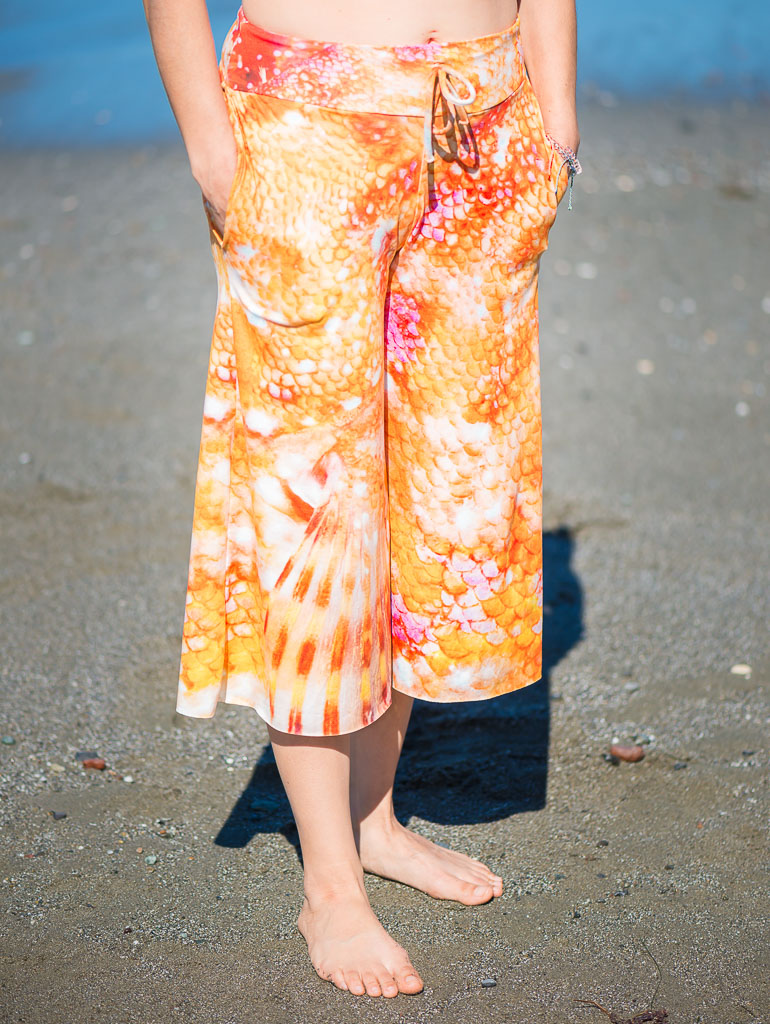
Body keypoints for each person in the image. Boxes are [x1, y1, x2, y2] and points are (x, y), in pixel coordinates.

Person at [144, 0, 579, 999]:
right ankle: (329, 885)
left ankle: (374, 818)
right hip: (308, 120)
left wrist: (553, 123)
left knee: (440, 495)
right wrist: (214, 155)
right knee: (317, 510)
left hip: (486, 116)